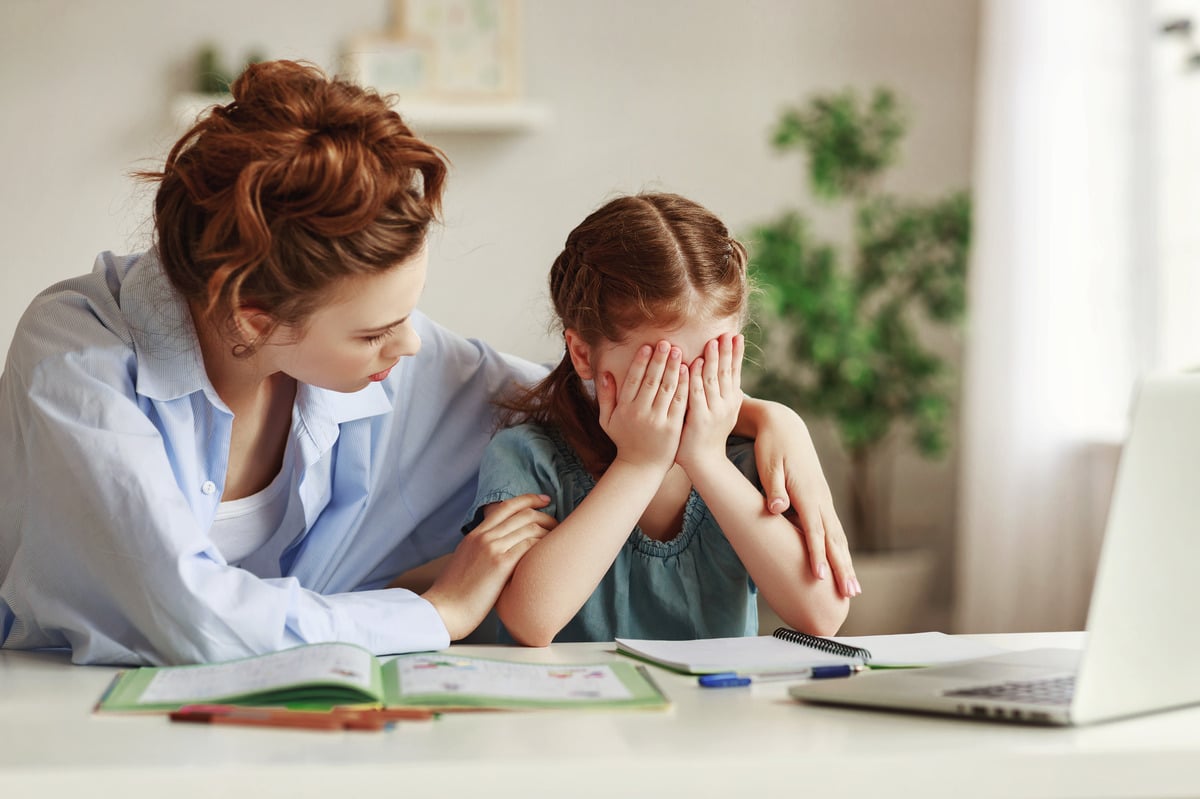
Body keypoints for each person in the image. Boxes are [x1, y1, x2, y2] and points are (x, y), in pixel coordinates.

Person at [0, 60, 855, 667]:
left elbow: (583, 391)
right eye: (375, 334)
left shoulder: (381, 358)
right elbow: (189, 618)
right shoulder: (75, 361)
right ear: (254, 315)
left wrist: (765, 418)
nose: (408, 348)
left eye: (407, 317)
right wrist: (435, 611)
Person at [468, 193, 855, 647]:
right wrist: (639, 465)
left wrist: (708, 460)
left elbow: (822, 615)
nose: (687, 390)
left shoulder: (751, 457)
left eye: (711, 363)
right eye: (660, 370)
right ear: (582, 354)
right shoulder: (527, 456)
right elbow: (531, 621)